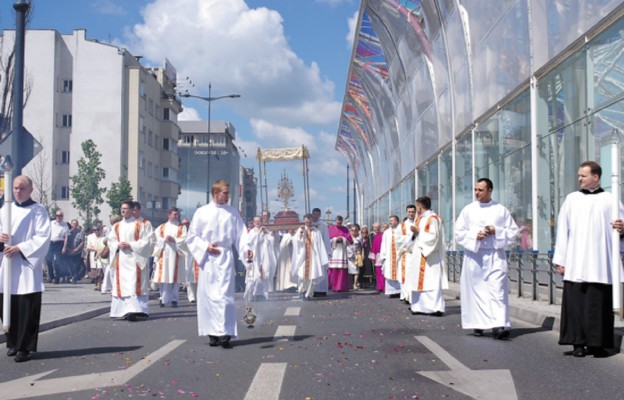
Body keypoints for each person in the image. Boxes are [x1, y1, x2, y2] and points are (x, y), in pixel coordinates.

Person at [553, 161, 624, 357]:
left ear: (596, 177)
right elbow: (562, 231)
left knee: (598, 305)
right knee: (575, 304)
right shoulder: (571, 199)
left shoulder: (611, 199)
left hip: (601, 262)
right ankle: (577, 343)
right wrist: (561, 260)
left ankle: (597, 343)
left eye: (583, 176)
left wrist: (622, 229)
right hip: (576, 261)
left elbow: (621, 228)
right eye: (579, 175)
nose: (579, 179)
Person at [186, 180, 248, 348]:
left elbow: (241, 236)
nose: (228, 196)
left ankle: (225, 332)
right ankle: (212, 333)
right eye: (225, 193)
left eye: (228, 193)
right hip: (207, 259)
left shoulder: (233, 212)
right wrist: (206, 246)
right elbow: (192, 237)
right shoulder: (202, 212)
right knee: (208, 297)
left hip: (225, 257)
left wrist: (247, 251)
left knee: (225, 297)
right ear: (215, 193)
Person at [455, 178, 518, 339]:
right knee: (476, 291)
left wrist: (495, 230)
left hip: (495, 254)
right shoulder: (468, 210)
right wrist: (475, 235)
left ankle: (499, 325)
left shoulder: (500, 209)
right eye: (475, 189)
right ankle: (478, 323)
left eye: (480, 190)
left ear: (490, 190)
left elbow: (512, 231)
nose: (476, 193)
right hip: (475, 255)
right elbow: (458, 233)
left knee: (497, 290)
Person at [0, 175, 51, 362]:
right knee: (7, 306)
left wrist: (20, 248)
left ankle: (25, 348)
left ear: (30, 190)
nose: (17, 191)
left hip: (26, 265)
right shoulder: (5, 208)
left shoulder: (38, 210)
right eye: (14, 188)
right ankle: (12, 343)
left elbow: (43, 237)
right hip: (6, 264)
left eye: (21, 188)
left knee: (26, 307)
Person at [107, 200, 154, 321]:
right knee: (122, 284)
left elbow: (148, 240)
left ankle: (136, 310)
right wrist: (118, 245)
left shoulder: (140, 224)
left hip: (135, 259)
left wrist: (131, 245)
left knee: (133, 283)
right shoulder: (116, 226)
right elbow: (110, 240)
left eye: (126, 208)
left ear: (132, 210)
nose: (123, 210)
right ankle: (121, 311)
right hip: (122, 259)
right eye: (122, 208)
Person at [410, 196, 448, 316]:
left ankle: (434, 308)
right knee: (419, 280)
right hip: (419, 254)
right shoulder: (419, 219)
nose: (416, 209)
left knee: (431, 281)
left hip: (430, 256)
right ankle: (418, 307)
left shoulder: (433, 219)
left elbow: (433, 237)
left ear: (420, 207)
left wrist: (418, 233)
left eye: (417, 207)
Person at [152, 207, 187, 308]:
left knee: (175, 279)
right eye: (174, 214)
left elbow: (185, 239)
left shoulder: (181, 228)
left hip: (176, 255)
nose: (176, 216)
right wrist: (163, 240)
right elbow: (155, 238)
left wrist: (174, 240)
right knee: (164, 278)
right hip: (164, 255)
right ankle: (163, 299)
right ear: (169, 215)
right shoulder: (162, 227)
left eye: (177, 215)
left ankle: (174, 299)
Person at [291, 214, 328, 300]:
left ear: (312, 221)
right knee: (301, 275)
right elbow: (295, 241)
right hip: (303, 257)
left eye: (309, 221)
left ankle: (309, 293)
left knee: (312, 276)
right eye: (306, 221)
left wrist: (322, 258)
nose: (308, 222)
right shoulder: (300, 230)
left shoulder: (316, 231)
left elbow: (320, 245)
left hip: (313, 257)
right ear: (304, 221)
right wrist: (300, 234)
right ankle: (302, 291)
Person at [244, 216, 276, 301]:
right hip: (255, 258)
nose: (257, 223)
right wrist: (249, 261)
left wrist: (268, 234)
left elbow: (271, 241)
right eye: (256, 221)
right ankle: (252, 295)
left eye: (259, 221)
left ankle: (263, 295)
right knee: (254, 277)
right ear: (254, 223)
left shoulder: (265, 231)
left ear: (262, 222)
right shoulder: (251, 232)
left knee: (265, 276)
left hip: (265, 257)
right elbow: (249, 245)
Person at [379, 216, 402, 297]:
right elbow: (383, 244)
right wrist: (383, 256)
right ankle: (391, 292)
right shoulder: (387, 232)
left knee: (399, 272)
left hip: (399, 256)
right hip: (389, 257)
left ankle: (399, 291)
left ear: (396, 221)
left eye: (392, 220)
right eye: (390, 221)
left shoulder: (401, 231)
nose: (390, 222)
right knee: (389, 273)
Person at [328, 215, 351, 291]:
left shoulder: (345, 229)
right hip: (334, 251)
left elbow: (350, 240)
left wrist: (343, 238)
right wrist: (335, 239)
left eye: (340, 222)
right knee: (334, 269)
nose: (339, 223)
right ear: (336, 221)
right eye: (338, 222)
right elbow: (327, 240)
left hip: (342, 252)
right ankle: (333, 286)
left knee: (342, 270)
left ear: (342, 222)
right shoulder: (330, 229)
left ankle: (341, 286)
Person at [45, 209, 69, 284]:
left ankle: (57, 278)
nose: (58, 217)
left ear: (62, 217)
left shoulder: (65, 225)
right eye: (57, 215)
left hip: (59, 243)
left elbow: (66, 237)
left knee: (58, 261)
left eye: (60, 216)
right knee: (48, 260)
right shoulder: (51, 223)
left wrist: (64, 247)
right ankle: (51, 276)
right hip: (51, 243)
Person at [311, 207, 331, 296]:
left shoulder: (323, 225)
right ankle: (313, 290)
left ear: (319, 215)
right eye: (314, 214)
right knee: (314, 270)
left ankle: (322, 290)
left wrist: (327, 252)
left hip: (321, 251)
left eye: (317, 214)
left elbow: (326, 239)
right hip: (312, 252)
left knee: (322, 270)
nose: (315, 216)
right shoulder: (309, 224)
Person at [180, 217, 198, 303]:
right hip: (186, 255)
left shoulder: (194, 231)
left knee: (197, 277)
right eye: (183, 224)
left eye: (186, 223)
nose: (185, 225)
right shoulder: (180, 232)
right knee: (189, 277)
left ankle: (198, 295)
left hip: (196, 256)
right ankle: (191, 297)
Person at [85, 222, 107, 291]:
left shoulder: (103, 237)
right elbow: (88, 247)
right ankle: (96, 282)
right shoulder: (90, 237)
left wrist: (100, 251)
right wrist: (95, 249)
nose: (96, 231)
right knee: (94, 271)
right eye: (95, 230)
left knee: (100, 270)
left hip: (101, 255)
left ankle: (99, 284)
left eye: (98, 229)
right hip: (93, 255)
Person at [64, 219, 85, 283]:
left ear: (77, 224)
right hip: (69, 252)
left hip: (77, 252)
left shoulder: (81, 232)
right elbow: (65, 241)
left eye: (76, 224)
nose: (74, 225)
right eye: (73, 224)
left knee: (77, 266)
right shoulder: (68, 232)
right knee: (70, 266)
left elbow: (82, 242)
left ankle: (75, 277)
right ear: (71, 224)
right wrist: (68, 249)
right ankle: (72, 276)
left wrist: (77, 249)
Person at [369, 223, 386, 292]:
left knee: (385, 272)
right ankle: (380, 286)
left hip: (387, 256)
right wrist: (373, 257)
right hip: (378, 256)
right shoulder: (377, 236)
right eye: (383, 227)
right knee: (379, 272)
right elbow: (373, 247)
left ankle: (385, 286)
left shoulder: (388, 235)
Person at [346, 224, 363, 290]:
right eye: (352, 230)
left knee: (356, 271)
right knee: (349, 271)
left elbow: (361, 247)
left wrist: (362, 254)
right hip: (349, 255)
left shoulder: (359, 238)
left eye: (355, 230)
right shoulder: (348, 237)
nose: (354, 232)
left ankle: (355, 284)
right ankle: (350, 284)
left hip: (357, 255)